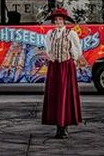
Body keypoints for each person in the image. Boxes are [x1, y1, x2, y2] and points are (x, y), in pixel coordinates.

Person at [43, 7, 83, 139]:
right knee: (55, 96)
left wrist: (72, 59)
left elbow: (77, 51)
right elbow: (48, 49)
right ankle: (58, 127)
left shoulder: (71, 34)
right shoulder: (50, 34)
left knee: (65, 96)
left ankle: (64, 127)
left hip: (66, 67)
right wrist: (51, 56)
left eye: (60, 20)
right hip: (54, 67)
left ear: (64, 21)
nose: (58, 22)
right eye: (56, 20)